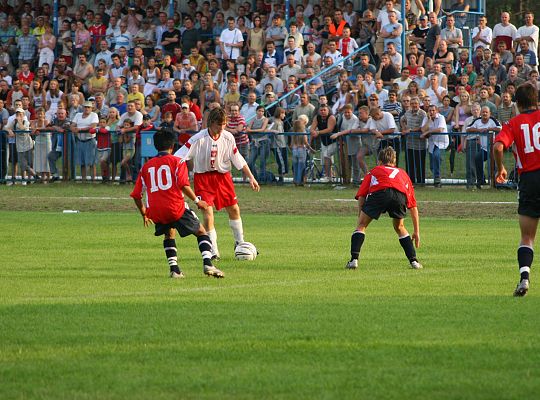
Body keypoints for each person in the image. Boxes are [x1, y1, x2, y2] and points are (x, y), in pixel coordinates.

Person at [130, 129, 224, 279]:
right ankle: (208, 263)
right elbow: (183, 185)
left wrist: (144, 213)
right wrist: (197, 201)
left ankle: (174, 269)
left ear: (155, 146)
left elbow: (136, 195)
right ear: (172, 146)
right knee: (201, 231)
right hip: (175, 206)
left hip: (156, 210)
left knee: (169, 234)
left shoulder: (146, 166)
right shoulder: (177, 161)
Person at [174, 107, 260, 259]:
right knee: (207, 212)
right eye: (219, 125)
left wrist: (251, 177)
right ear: (211, 123)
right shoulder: (198, 139)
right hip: (203, 179)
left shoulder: (228, 137)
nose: (221, 128)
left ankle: (240, 243)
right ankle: (214, 251)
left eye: (224, 124)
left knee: (234, 209)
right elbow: (179, 156)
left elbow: (237, 158)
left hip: (223, 178)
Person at [494, 84, 540, 296]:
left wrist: (501, 167)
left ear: (518, 104)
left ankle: (524, 278)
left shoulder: (513, 123)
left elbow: (497, 146)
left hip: (529, 180)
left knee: (527, 236)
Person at [345, 146, 422, 270]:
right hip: (399, 196)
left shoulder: (374, 171)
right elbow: (413, 206)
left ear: (379, 162)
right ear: (394, 162)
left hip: (380, 193)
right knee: (400, 227)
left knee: (361, 226)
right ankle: (414, 261)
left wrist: (360, 216)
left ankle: (354, 260)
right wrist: (416, 232)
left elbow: (362, 196)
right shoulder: (403, 174)